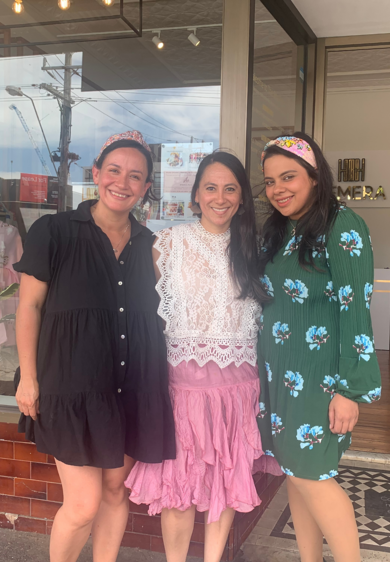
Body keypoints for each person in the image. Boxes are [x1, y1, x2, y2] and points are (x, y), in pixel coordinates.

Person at [14, 131, 176, 562]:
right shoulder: (55, 231)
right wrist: (28, 379)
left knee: (114, 490)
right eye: (115, 171)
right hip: (70, 388)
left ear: (146, 188)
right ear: (97, 174)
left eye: (136, 176)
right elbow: (29, 306)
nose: (123, 182)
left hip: (131, 387)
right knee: (83, 504)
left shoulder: (152, 246)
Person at [125, 151, 268, 562]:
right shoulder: (168, 244)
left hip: (237, 391)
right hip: (181, 389)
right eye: (211, 187)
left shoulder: (256, 251)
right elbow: (136, 312)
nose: (219, 197)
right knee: (179, 489)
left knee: (224, 483)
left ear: (241, 198)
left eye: (230, 189)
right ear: (196, 195)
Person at [256, 133, 382, 562]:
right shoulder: (280, 229)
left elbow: (356, 311)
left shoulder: (342, 224)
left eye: (288, 177)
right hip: (280, 373)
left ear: (314, 176)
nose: (278, 190)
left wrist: (350, 390)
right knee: (296, 474)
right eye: (270, 182)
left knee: (312, 475)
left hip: (320, 377)